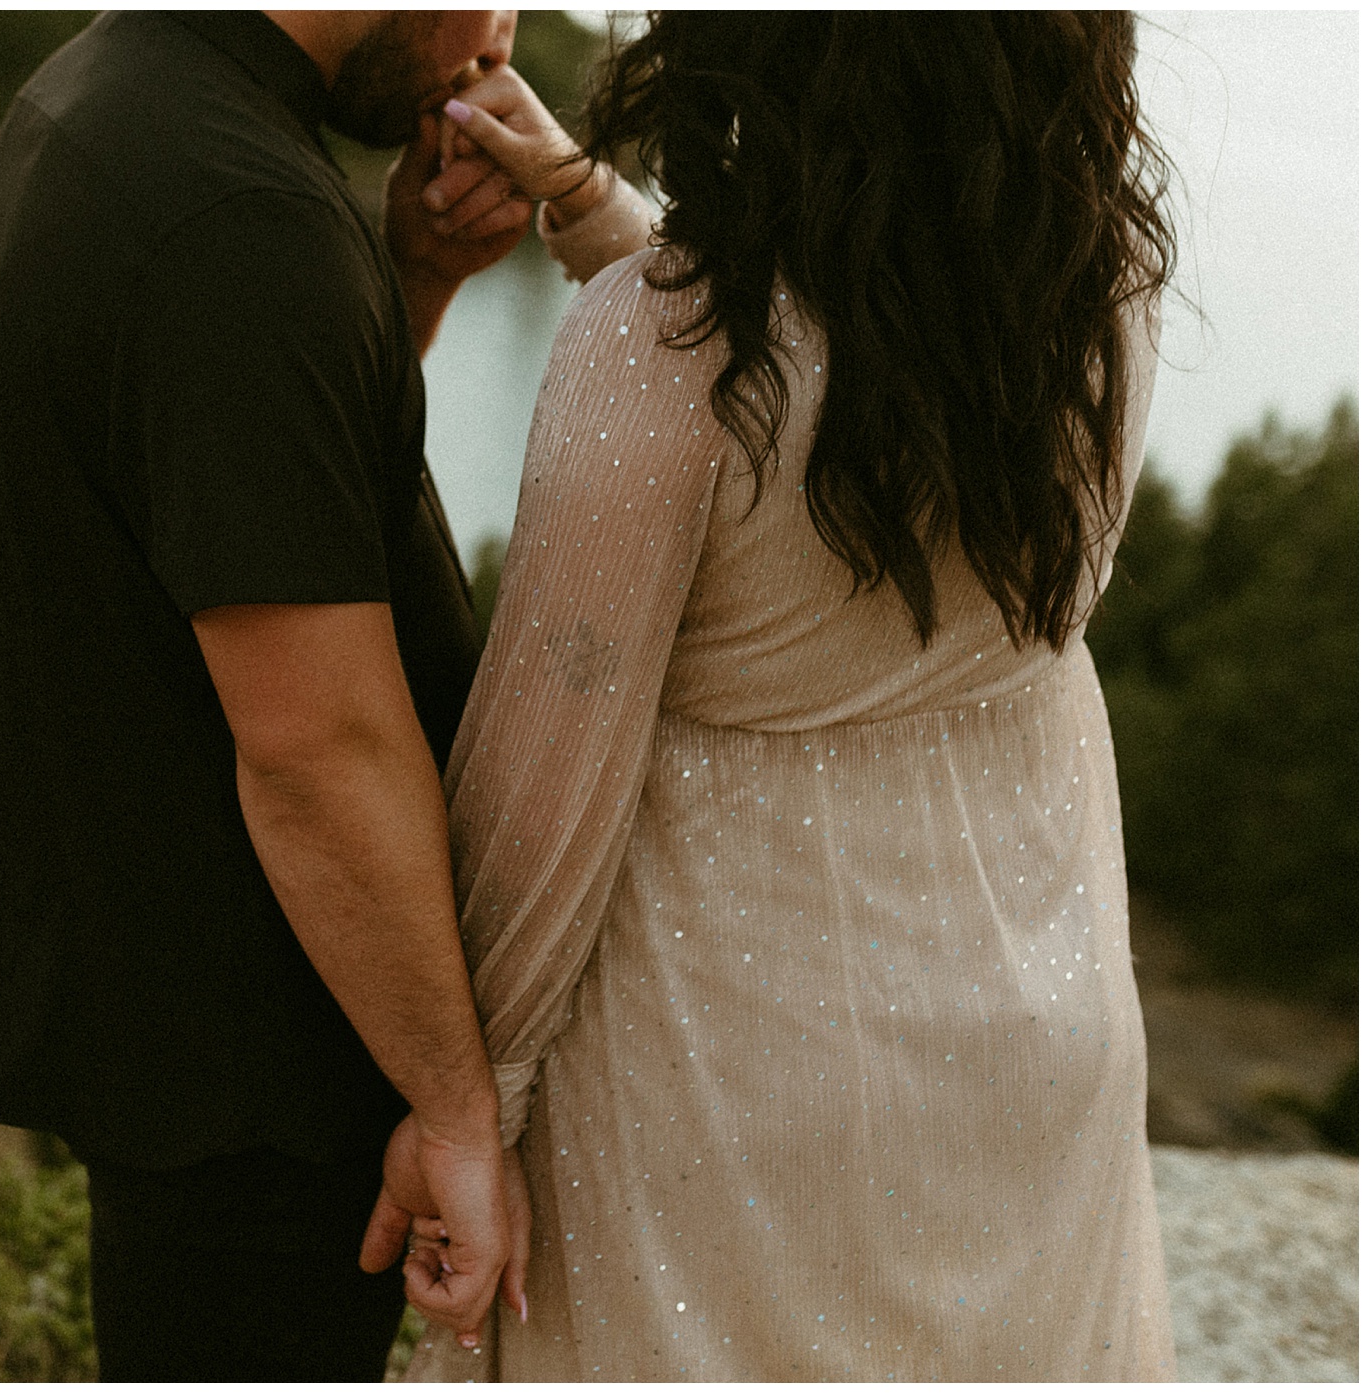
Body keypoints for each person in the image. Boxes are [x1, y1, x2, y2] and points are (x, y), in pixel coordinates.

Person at [400, 12, 1180, 1380]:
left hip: (727, 1082)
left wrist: (465, 1103)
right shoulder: (1096, 293)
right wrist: (588, 204)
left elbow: (538, 799)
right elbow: (850, 367)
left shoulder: (657, 347)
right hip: (1039, 1034)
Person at [0, 11, 535, 1380]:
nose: (504, 37)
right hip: (259, 1072)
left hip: (177, 1011)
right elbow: (315, 747)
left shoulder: (113, 90)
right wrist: (456, 1109)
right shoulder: (236, 213)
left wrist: (407, 279)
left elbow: (246, 509)